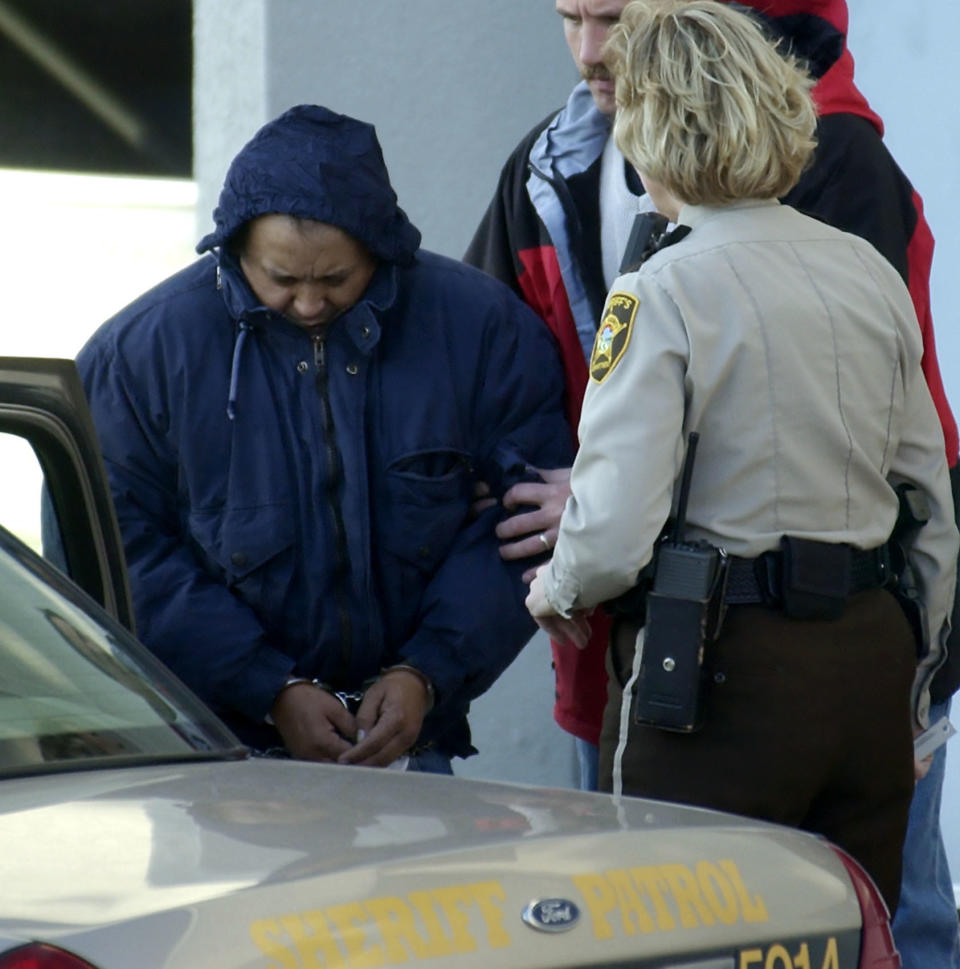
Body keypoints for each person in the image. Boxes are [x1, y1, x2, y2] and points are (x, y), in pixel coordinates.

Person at [466, 0, 960, 959]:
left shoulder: (657, 291)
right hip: (866, 668)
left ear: (654, 138)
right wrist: (918, 670)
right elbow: (931, 502)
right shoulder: (864, 269)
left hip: (717, 673)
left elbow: (609, 528)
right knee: (860, 937)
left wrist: (555, 588)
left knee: (682, 934)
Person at [75, 104, 572, 774]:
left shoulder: (485, 330)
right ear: (232, 249)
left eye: (336, 279)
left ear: (383, 250)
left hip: (412, 743)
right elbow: (117, 554)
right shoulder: (138, 357)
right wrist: (268, 686)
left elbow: (529, 521)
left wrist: (426, 672)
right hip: (214, 758)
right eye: (280, 279)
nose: (309, 304)